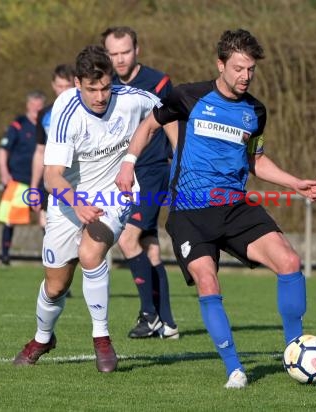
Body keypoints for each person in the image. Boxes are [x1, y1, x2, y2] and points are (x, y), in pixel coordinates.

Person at [115, 29, 316, 388]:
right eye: (239, 68)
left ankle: (295, 348)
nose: (245, 76)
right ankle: (234, 368)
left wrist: (293, 182)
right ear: (220, 64)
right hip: (189, 212)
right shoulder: (187, 96)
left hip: (234, 206)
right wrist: (129, 162)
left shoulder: (255, 111)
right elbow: (149, 125)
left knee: (289, 262)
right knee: (208, 281)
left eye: (250, 70)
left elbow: (256, 160)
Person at [13, 45, 160, 372]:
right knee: (55, 286)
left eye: (105, 87)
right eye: (91, 89)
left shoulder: (132, 98)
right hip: (69, 198)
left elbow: (170, 112)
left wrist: (180, 157)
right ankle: (42, 337)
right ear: (77, 83)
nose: (100, 96)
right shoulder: (64, 112)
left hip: (114, 194)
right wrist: (77, 204)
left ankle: (101, 337)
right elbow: (52, 177)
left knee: (91, 253)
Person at [101, 26, 178, 339]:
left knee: (127, 240)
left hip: (151, 173)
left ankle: (150, 316)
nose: (119, 59)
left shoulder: (158, 83)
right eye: (113, 54)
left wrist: (178, 170)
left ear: (137, 50)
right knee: (150, 250)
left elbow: (173, 125)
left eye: (125, 52)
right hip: (124, 178)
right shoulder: (106, 85)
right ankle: (168, 322)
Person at [0, 90, 46, 266]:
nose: (36, 110)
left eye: (40, 107)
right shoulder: (18, 125)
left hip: (41, 181)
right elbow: (3, 150)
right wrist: (4, 173)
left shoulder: (47, 124)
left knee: (45, 220)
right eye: (34, 106)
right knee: (9, 219)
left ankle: (50, 257)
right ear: (28, 105)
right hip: (18, 179)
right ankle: (4, 256)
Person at [31, 64, 76, 230]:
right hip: (51, 178)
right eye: (60, 86)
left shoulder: (85, 111)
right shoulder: (44, 114)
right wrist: (34, 186)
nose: (63, 91)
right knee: (47, 224)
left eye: (67, 86)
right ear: (53, 86)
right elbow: (40, 151)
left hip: (78, 178)